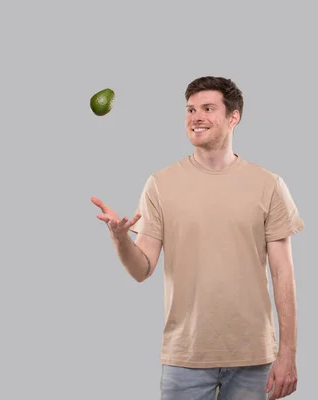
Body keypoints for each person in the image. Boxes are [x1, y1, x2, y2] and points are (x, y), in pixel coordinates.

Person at [91, 76, 304, 399]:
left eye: (208, 108)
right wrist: (120, 240)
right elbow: (141, 270)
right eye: (190, 110)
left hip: (252, 357)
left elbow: (283, 274)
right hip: (185, 357)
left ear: (234, 117)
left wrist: (287, 353)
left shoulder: (268, 184)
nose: (196, 117)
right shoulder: (161, 183)